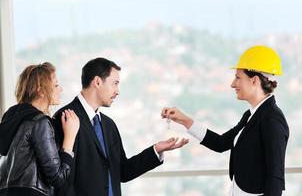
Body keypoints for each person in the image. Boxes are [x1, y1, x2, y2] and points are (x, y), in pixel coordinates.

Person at [161, 45, 289, 196]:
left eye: (238, 77)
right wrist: (184, 120)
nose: (233, 84)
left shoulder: (272, 119)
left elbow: (275, 177)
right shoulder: (251, 115)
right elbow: (221, 143)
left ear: (254, 80)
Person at [52, 57, 189, 196]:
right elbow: (60, 180)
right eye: (115, 83)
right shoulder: (64, 118)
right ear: (98, 82)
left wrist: (156, 150)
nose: (117, 91)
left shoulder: (108, 125)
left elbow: (123, 171)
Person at [0, 62, 80, 196]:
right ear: (41, 90)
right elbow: (57, 178)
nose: (61, 89)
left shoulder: (10, 118)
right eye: (55, 85)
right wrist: (70, 138)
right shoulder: (39, 122)